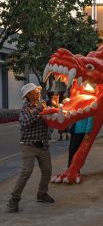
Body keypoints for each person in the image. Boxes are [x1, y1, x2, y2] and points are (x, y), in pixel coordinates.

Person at [7, 83, 55, 213]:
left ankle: (42, 194)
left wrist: (52, 115)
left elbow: (49, 121)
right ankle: (14, 199)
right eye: (34, 91)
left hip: (43, 144)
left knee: (47, 170)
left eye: (37, 90)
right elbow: (25, 123)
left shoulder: (42, 103)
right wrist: (39, 110)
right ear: (28, 95)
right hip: (29, 145)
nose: (38, 92)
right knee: (26, 172)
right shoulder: (25, 108)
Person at [67, 116, 94, 180]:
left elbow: (90, 118)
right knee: (71, 150)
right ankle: (70, 169)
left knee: (74, 150)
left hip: (81, 131)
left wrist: (87, 132)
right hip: (74, 130)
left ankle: (73, 169)